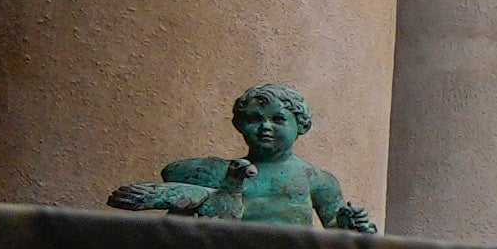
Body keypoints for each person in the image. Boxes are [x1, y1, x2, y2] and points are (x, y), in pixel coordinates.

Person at [109, 84, 377, 232]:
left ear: (301, 125)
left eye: (278, 119)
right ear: (240, 125)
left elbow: (334, 227)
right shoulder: (221, 172)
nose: (265, 127)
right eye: (254, 119)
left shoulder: (317, 179)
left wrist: (350, 224)